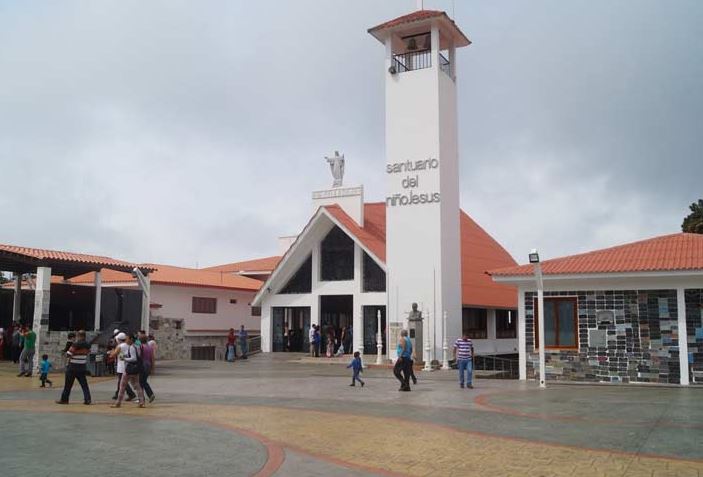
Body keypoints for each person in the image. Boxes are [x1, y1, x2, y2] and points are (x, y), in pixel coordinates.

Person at [56, 330, 92, 405]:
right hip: (82, 366)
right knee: (84, 385)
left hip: (72, 367)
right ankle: (87, 399)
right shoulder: (88, 344)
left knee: (68, 385)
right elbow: (88, 352)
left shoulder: (75, 344)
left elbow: (69, 354)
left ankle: (64, 400)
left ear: (79, 336)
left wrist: (68, 354)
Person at [111, 334, 145, 408]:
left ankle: (118, 403)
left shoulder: (132, 347)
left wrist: (124, 359)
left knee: (122, 386)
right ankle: (141, 401)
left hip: (129, 369)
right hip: (135, 369)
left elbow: (133, 358)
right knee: (137, 385)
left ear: (130, 339)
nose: (126, 340)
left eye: (127, 339)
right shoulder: (137, 346)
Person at [110, 333, 136, 401]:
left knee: (123, 382)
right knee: (121, 381)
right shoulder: (129, 345)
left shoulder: (120, 346)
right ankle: (118, 394)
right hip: (127, 365)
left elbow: (113, 355)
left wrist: (112, 351)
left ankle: (130, 394)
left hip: (121, 366)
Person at [137, 330, 155, 403]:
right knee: (143, 381)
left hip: (142, 365)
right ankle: (149, 395)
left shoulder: (141, 347)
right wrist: (153, 368)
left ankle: (142, 398)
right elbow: (152, 358)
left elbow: (138, 356)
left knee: (141, 382)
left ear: (140, 340)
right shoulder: (150, 347)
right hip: (148, 365)